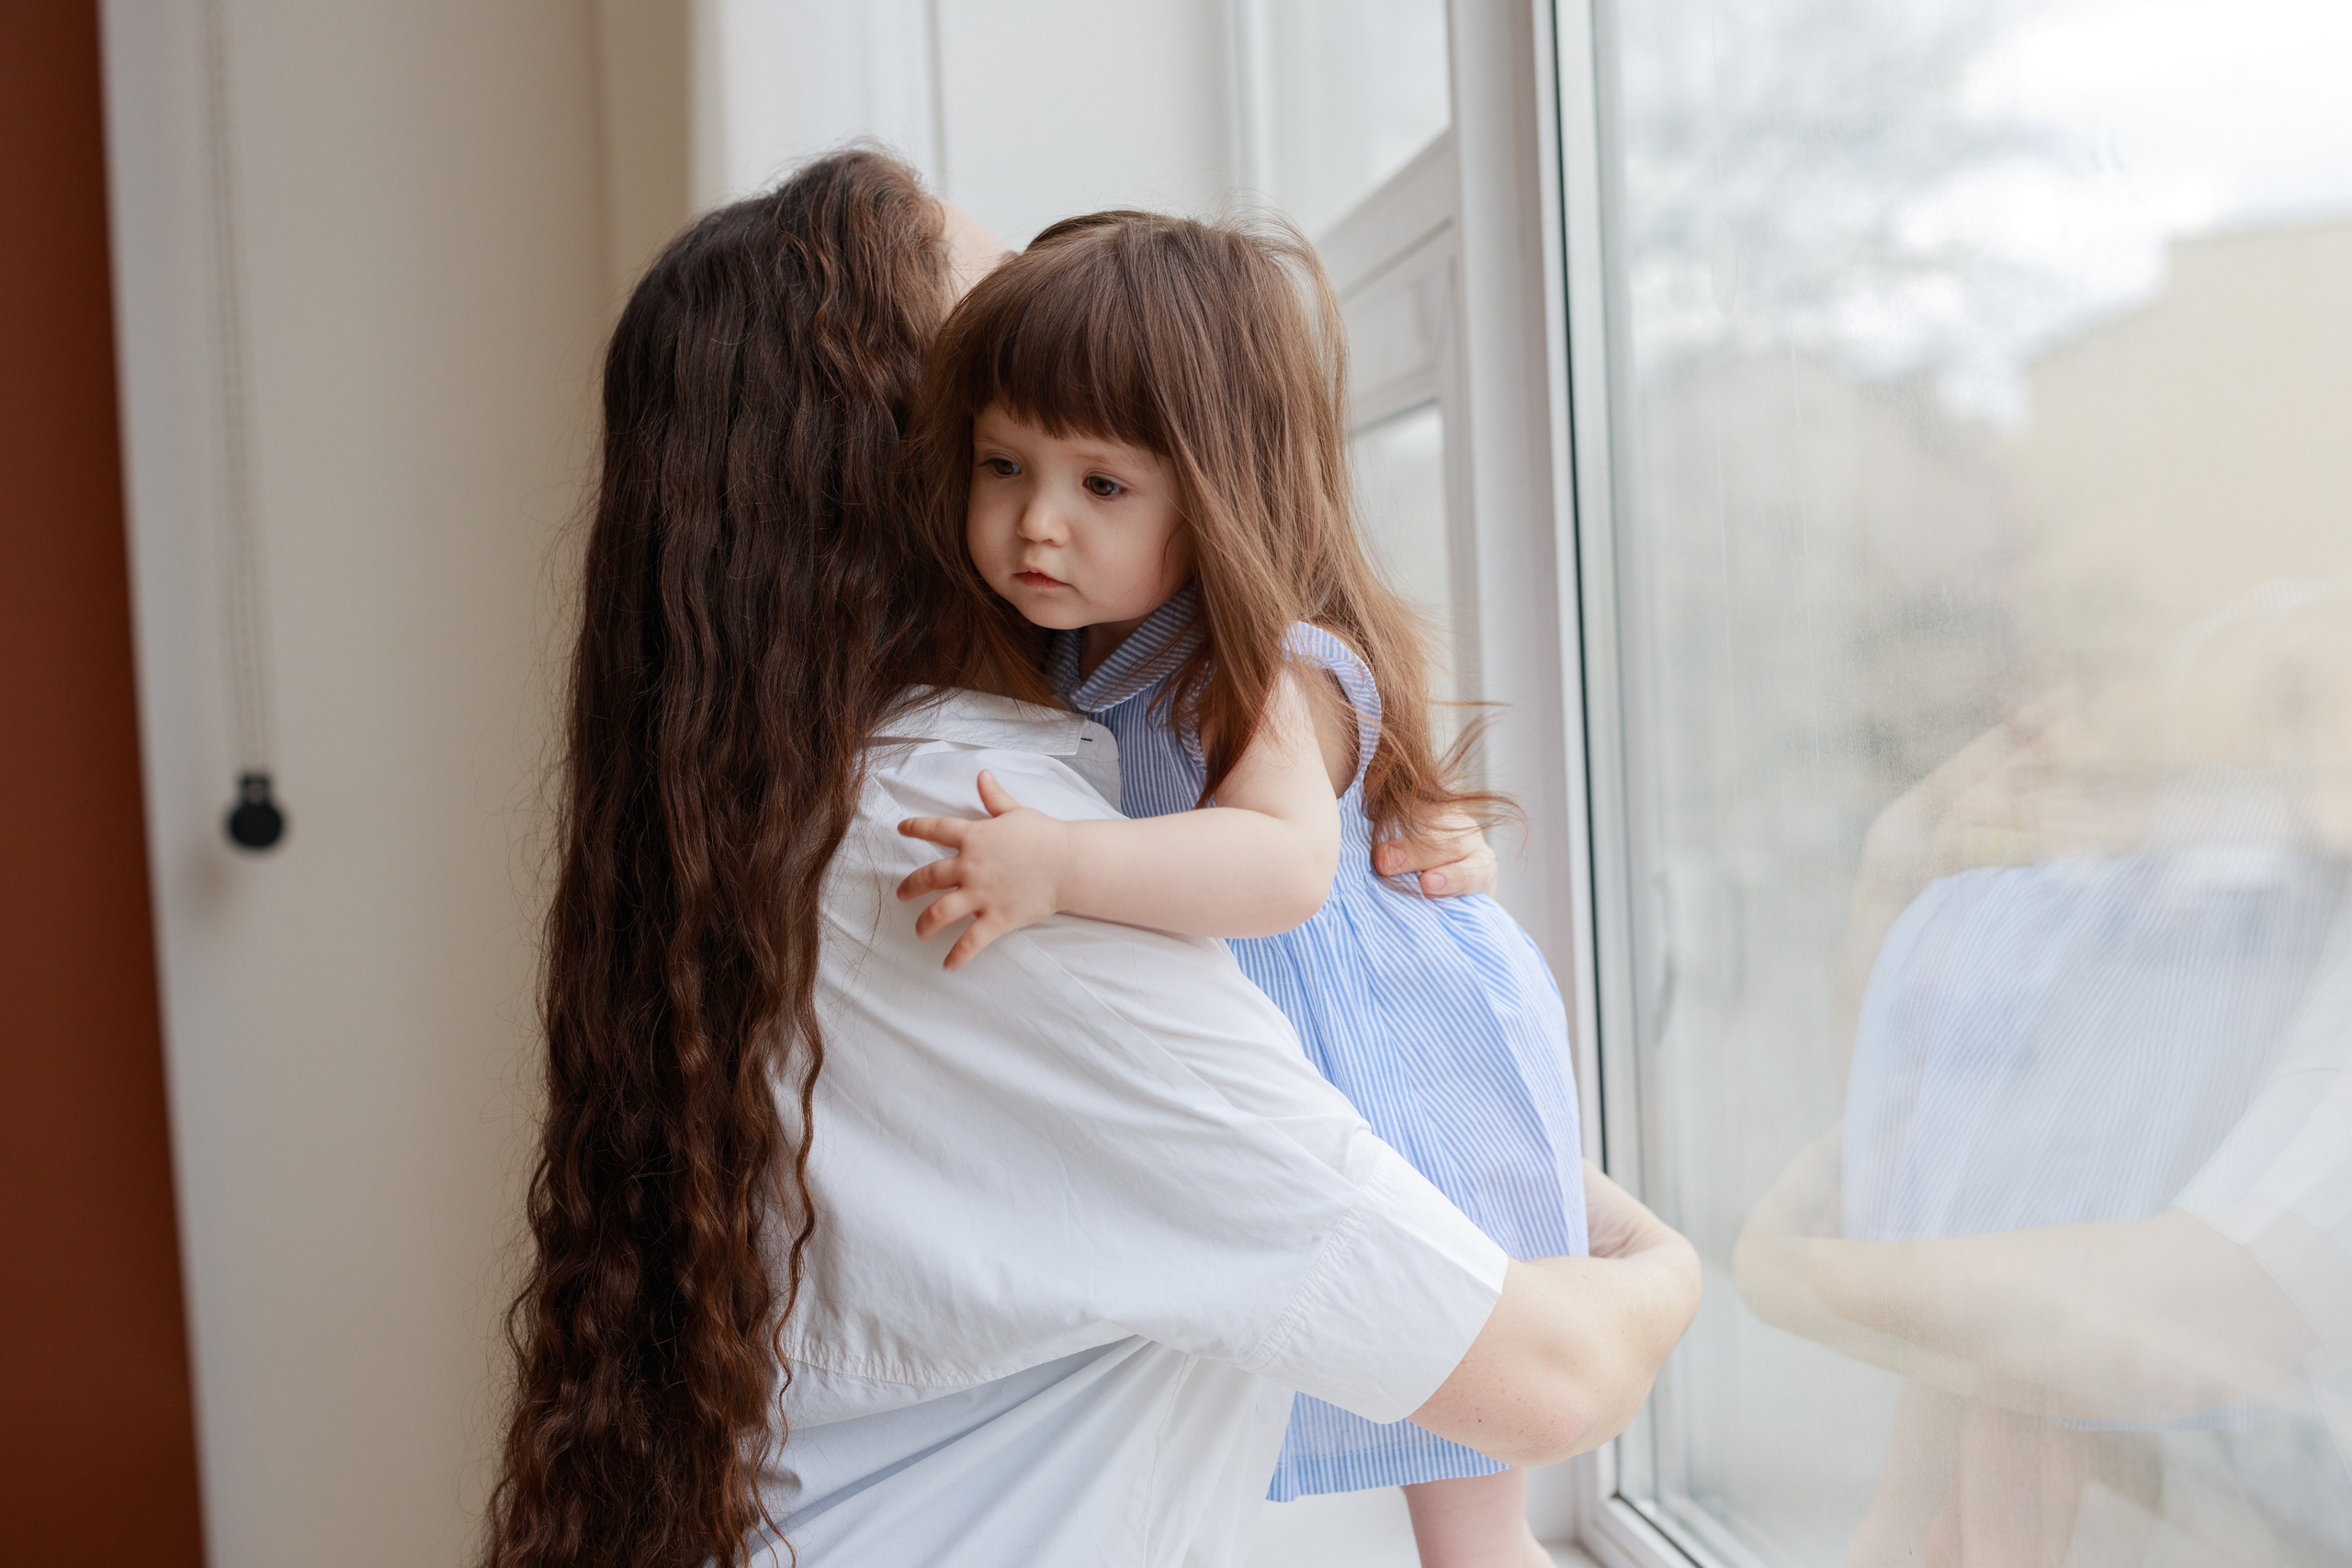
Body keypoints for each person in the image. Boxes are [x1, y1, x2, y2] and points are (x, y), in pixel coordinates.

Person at [481, 148, 1700, 1568]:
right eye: (1012, 405)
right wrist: (1659, 1264)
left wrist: (1383, 915)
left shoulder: (819, 807)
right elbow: (1547, 1375)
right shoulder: (980, 842)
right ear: (912, 449)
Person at [891, 210, 1589, 1567]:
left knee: (1467, 1489)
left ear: (1217, 486)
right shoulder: (1079, 663)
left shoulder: (1272, 664)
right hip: (1281, 1095)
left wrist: (1063, 868)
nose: (1036, 522)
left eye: (1103, 486)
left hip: (1408, 1071)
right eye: (1002, 465)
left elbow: (1276, 867)